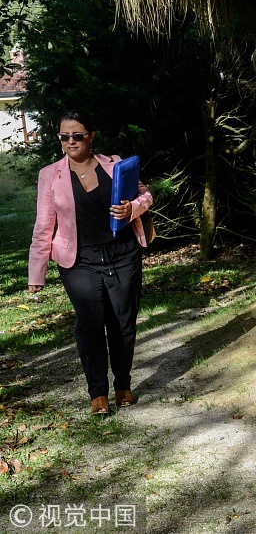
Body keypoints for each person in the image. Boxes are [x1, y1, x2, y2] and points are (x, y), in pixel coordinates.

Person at [28, 110, 153, 416]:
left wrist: (132, 209)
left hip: (122, 253)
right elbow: (43, 226)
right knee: (89, 322)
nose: (71, 141)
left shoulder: (115, 164)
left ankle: (123, 385)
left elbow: (146, 195)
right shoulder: (50, 175)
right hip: (78, 260)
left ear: (91, 136)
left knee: (123, 322)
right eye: (64, 136)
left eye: (77, 135)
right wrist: (36, 273)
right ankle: (98, 393)